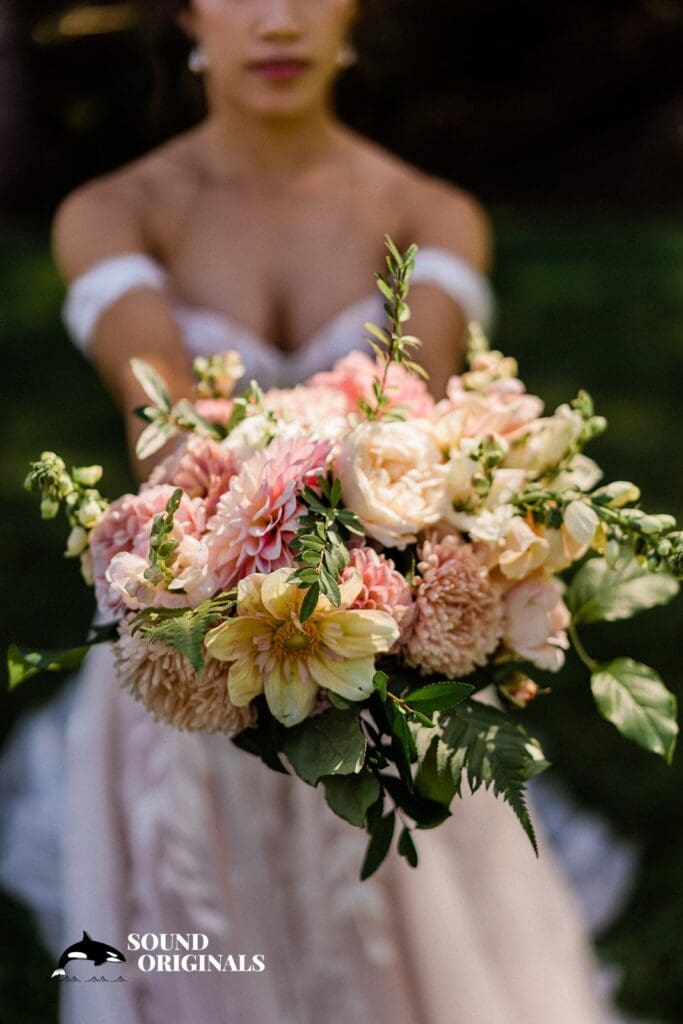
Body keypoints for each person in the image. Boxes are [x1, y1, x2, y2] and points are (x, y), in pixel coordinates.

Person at [1, 2, 621, 1021]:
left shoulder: (432, 212)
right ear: (191, 11)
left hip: (375, 629)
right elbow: (161, 423)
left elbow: (410, 422)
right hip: (194, 621)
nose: (279, 21)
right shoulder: (115, 210)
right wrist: (230, 561)